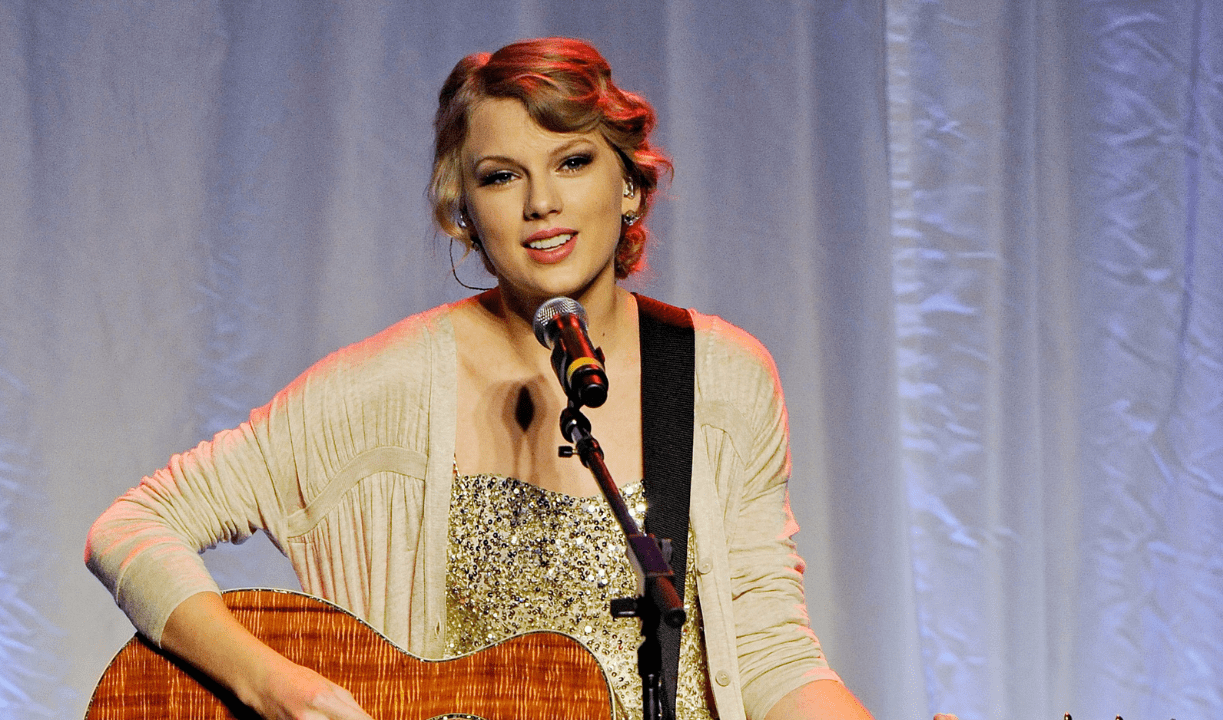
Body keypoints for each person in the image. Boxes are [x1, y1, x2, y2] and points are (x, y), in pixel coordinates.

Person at [87, 37, 906, 720]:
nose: (541, 202)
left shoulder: (720, 378)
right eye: (501, 176)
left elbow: (770, 655)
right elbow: (131, 527)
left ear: (628, 184)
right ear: (464, 212)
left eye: (572, 161)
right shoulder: (387, 388)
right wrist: (267, 683)